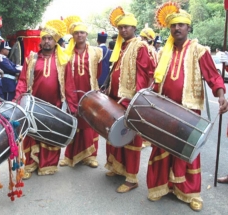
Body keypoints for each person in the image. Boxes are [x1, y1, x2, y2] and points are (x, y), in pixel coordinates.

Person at [146, 2, 228, 211]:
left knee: (188, 152)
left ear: (188, 28)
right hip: (163, 108)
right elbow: (155, 79)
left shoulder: (200, 51)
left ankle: (189, 192)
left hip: (189, 111)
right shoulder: (163, 52)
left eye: (182, 25)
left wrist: (221, 95)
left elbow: (213, 77)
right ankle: (160, 186)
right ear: (170, 28)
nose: (177, 28)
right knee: (161, 146)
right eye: (174, 25)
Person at [14, 19, 78, 178]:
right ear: (40, 41)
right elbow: (22, 81)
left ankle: (47, 165)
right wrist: (17, 101)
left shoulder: (63, 60)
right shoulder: (31, 58)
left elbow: (69, 85)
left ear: (55, 41)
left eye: (50, 38)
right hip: (33, 105)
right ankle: (30, 164)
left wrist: (73, 107)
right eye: (44, 38)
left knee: (51, 134)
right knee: (30, 135)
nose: (46, 41)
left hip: (54, 105)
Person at [105, 6, 155, 193]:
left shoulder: (140, 46)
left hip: (131, 101)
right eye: (121, 27)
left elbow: (147, 73)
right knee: (116, 135)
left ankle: (132, 177)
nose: (123, 30)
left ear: (134, 28)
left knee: (131, 139)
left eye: (127, 27)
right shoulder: (121, 46)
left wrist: (137, 100)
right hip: (115, 98)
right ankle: (117, 167)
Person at [59, 15, 102, 168]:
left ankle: (91, 156)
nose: (80, 35)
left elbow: (99, 72)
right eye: (77, 33)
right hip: (73, 93)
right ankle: (69, 156)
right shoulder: (66, 53)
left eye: (82, 32)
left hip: (90, 91)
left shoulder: (96, 52)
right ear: (73, 35)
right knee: (74, 122)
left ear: (86, 34)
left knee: (90, 123)